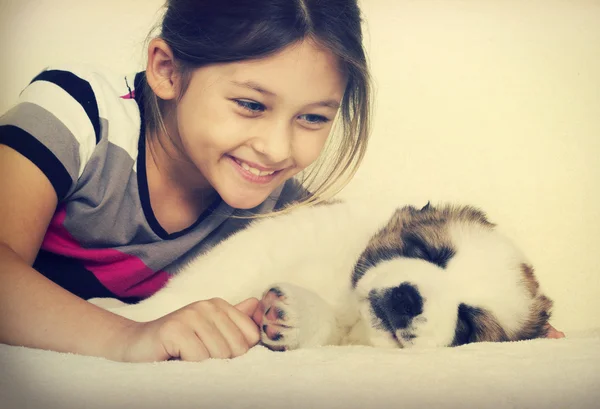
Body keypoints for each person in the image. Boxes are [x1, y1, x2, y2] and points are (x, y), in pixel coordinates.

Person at [0, 0, 371, 363]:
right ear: (166, 70)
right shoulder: (77, 114)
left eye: (312, 118)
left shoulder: (279, 206)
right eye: (251, 105)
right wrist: (129, 336)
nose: (276, 150)